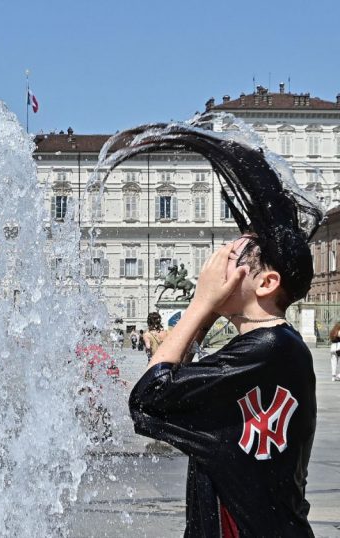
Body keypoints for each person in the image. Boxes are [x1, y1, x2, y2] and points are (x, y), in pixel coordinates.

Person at [102, 117, 323, 536]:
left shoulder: (269, 350)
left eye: (233, 256)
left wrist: (202, 304)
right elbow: (167, 396)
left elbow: (148, 398)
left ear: (266, 283)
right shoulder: (272, 349)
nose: (218, 261)